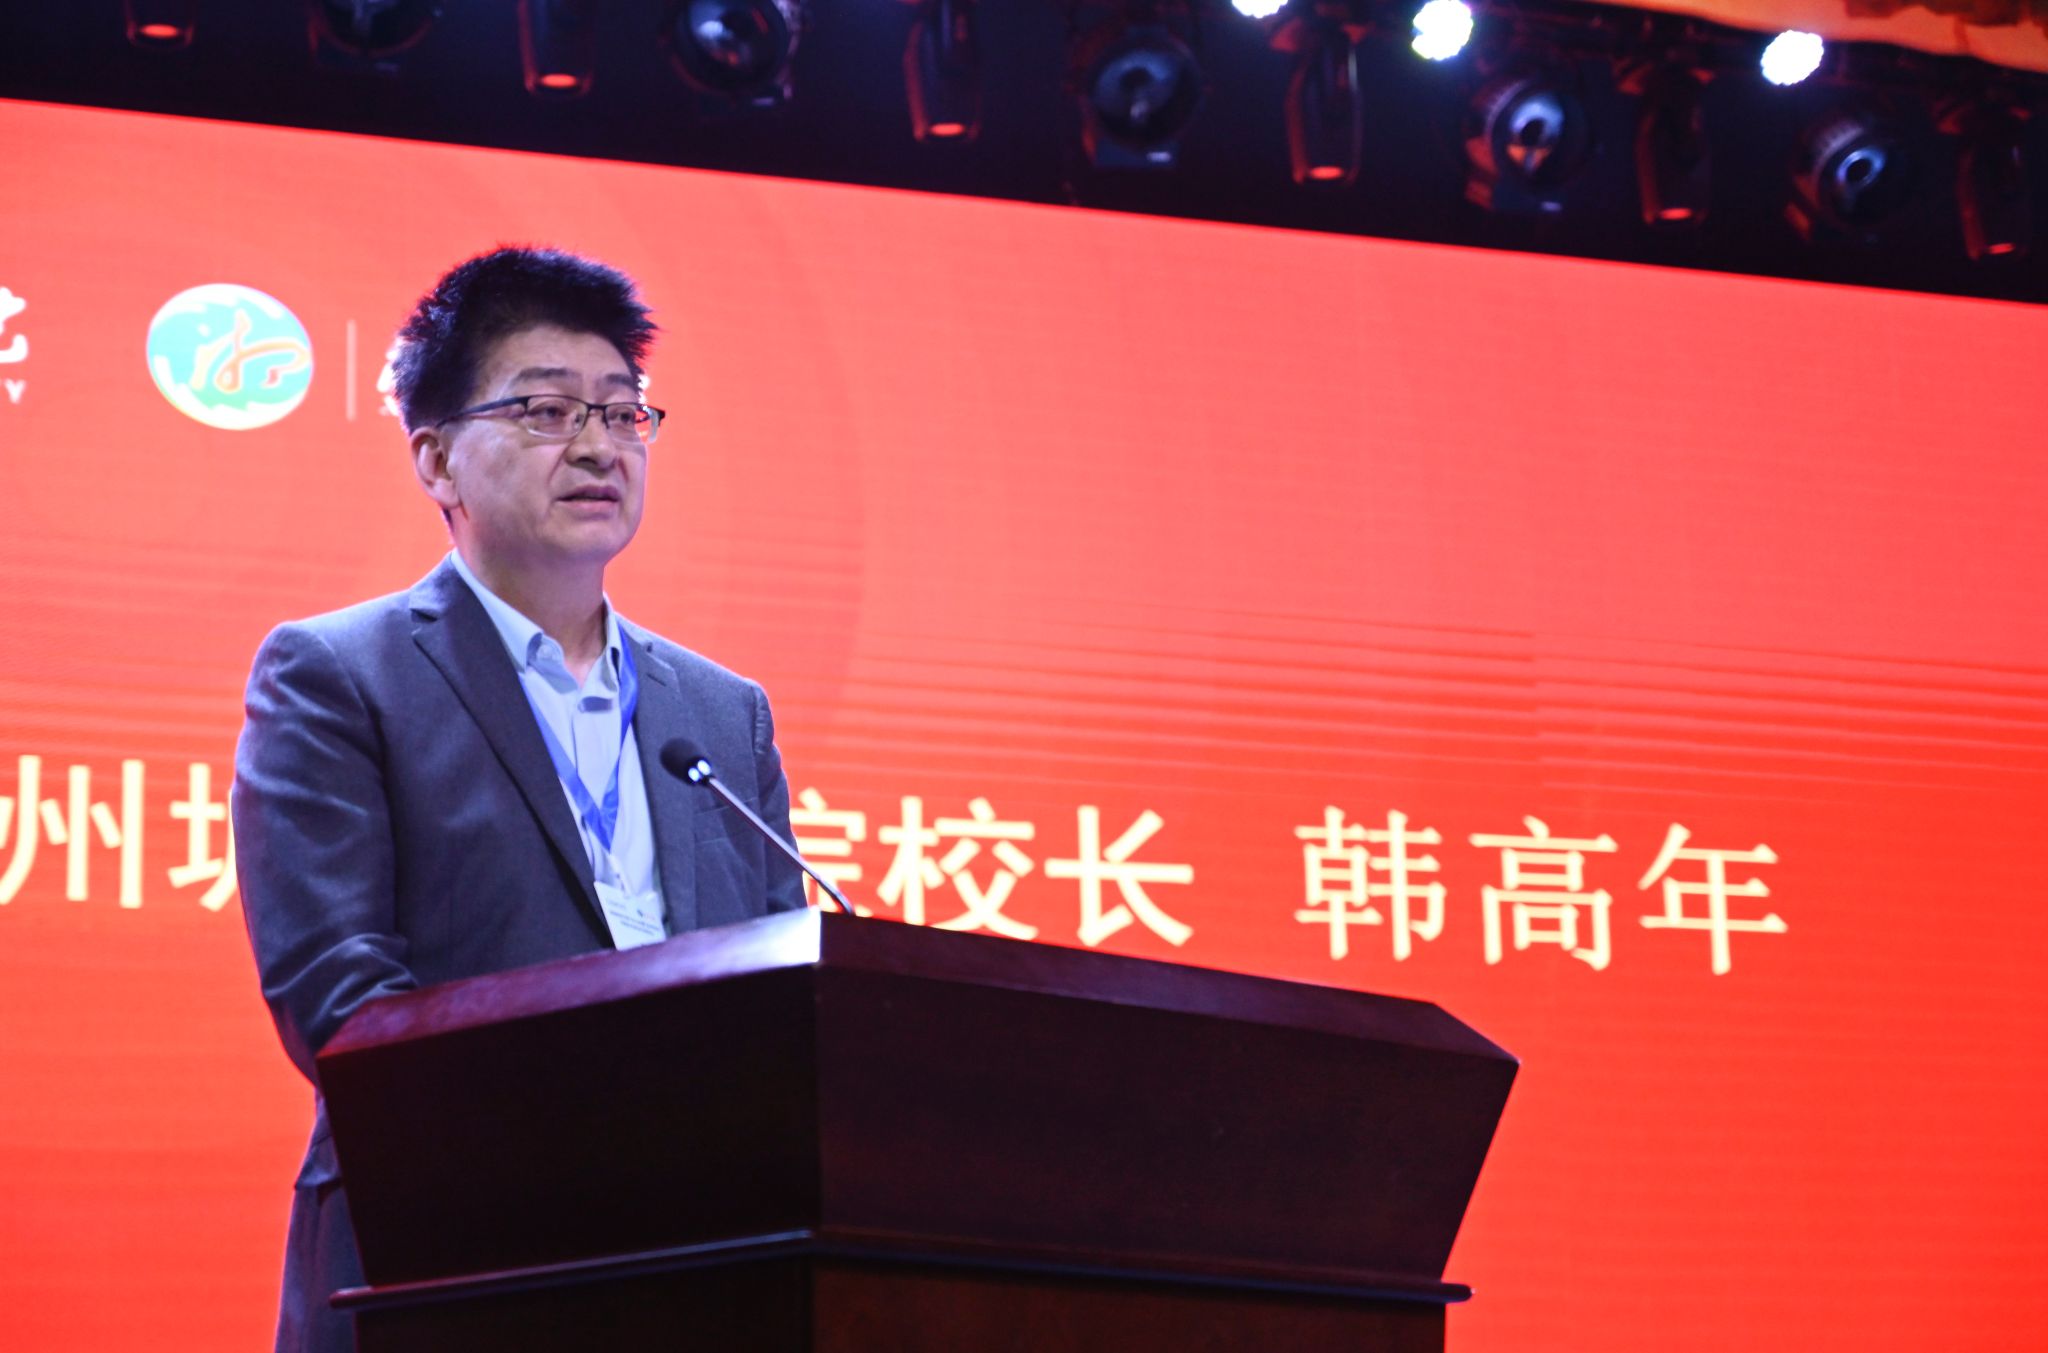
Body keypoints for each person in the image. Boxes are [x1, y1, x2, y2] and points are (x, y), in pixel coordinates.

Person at [231, 247, 807, 1353]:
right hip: (443, 1253)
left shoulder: (722, 711)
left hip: (704, 1263)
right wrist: (595, 1130)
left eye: (622, 412)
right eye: (545, 410)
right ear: (436, 458)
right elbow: (338, 1000)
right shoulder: (339, 674)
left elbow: (782, 989)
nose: (597, 445)